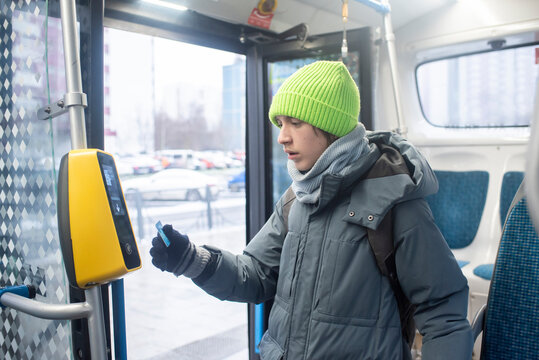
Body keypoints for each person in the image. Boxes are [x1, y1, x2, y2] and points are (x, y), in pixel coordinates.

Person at [150, 61, 473, 359]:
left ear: (330, 126)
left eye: (295, 122)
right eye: (280, 123)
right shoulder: (297, 197)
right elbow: (257, 275)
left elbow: (442, 311)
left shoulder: (393, 199)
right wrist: (193, 260)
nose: (282, 137)